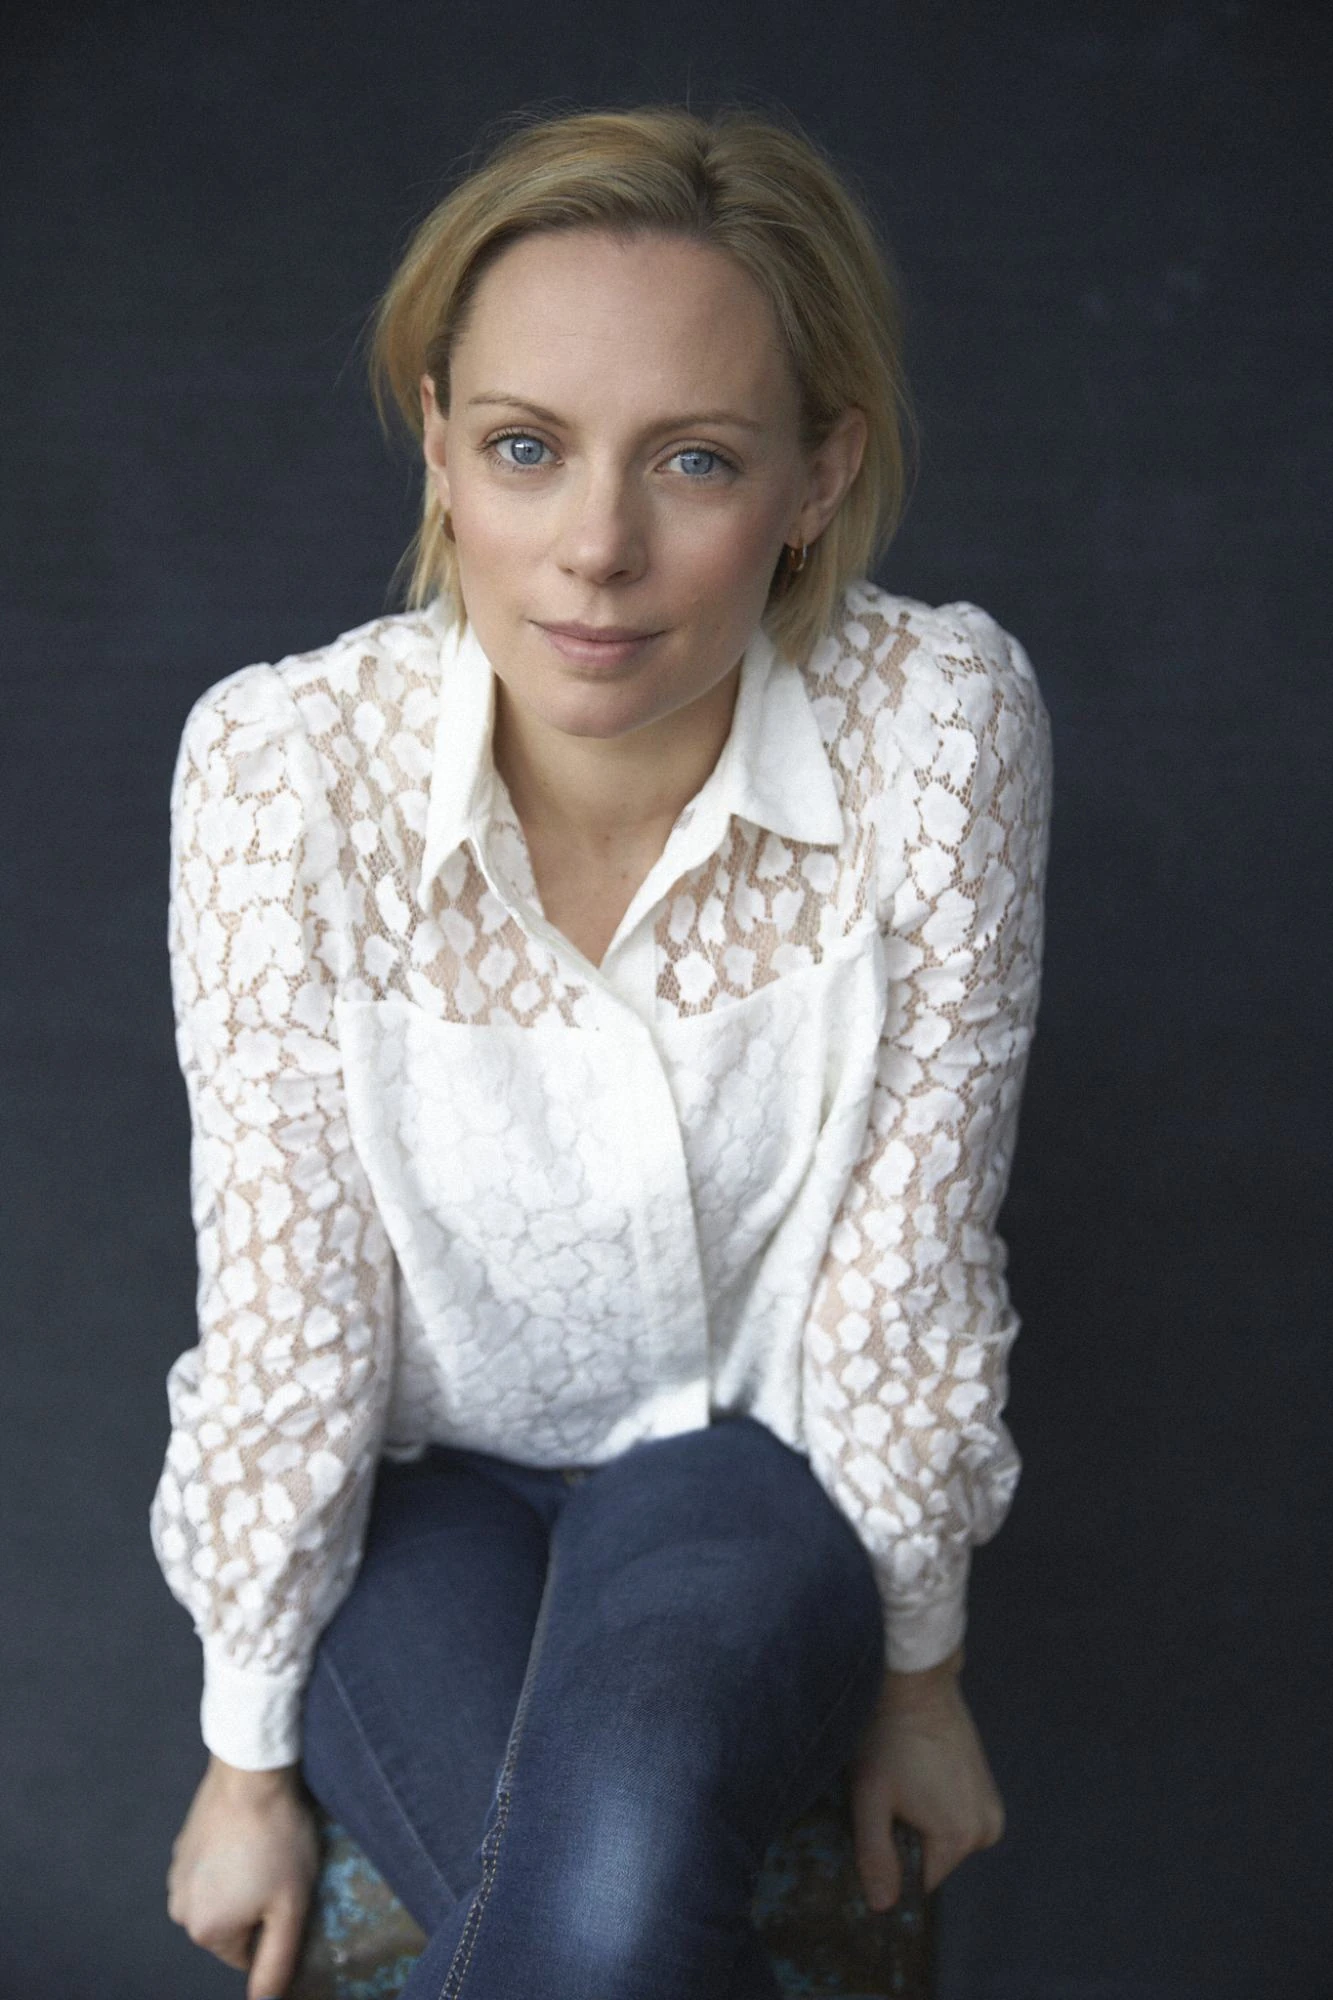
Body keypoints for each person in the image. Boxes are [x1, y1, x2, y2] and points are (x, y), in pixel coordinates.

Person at [153, 103, 1052, 2000]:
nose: (596, 550)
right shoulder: (281, 768)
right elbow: (288, 1305)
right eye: (527, 448)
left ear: (819, 477)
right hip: (422, 1494)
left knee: (628, 1829)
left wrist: (924, 1680)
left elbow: (909, 1270)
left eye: (696, 460)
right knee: (591, 1927)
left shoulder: (935, 725)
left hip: (748, 1479)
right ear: (439, 447)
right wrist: (243, 1756)